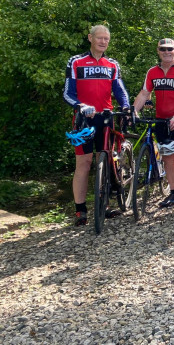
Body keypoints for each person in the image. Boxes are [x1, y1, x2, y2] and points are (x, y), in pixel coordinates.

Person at [64, 25, 131, 226]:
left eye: (106, 39)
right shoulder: (76, 61)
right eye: (99, 38)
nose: (103, 42)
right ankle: (80, 209)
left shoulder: (112, 64)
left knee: (109, 158)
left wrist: (126, 106)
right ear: (90, 38)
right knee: (83, 163)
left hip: (106, 118)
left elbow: (120, 90)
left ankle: (107, 203)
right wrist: (80, 105)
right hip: (83, 119)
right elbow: (68, 92)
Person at [133, 38, 174, 213]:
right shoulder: (152, 71)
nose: (166, 52)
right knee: (167, 159)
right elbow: (145, 92)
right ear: (158, 50)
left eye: (170, 49)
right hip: (161, 120)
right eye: (163, 49)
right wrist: (133, 111)